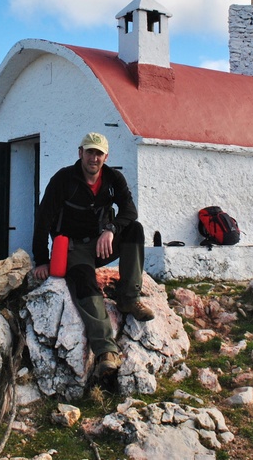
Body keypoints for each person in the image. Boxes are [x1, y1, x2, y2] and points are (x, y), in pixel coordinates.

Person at [32, 132, 154, 378]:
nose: (94, 158)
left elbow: (130, 210)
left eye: (99, 153)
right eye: (89, 152)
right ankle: (105, 351)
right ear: (80, 153)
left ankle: (128, 297)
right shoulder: (63, 179)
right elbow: (43, 219)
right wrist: (42, 260)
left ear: (105, 156)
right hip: (73, 248)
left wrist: (111, 229)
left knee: (134, 229)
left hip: (101, 244)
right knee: (86, 286)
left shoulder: (113, 178)